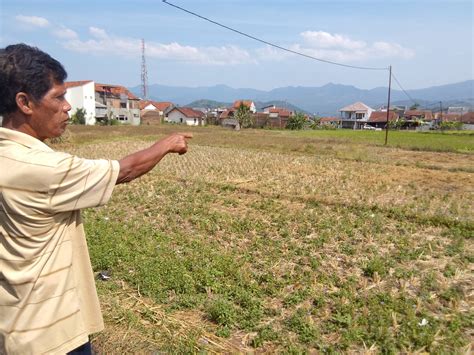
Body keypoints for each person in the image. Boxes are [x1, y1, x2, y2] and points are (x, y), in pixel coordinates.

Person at [0, 43, 192, 354]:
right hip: (51, 334)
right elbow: (124, 171)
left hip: (12, 324)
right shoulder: (42, 168)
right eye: (58, 97)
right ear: (24, 102)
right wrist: (168, 143)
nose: (67, 106)